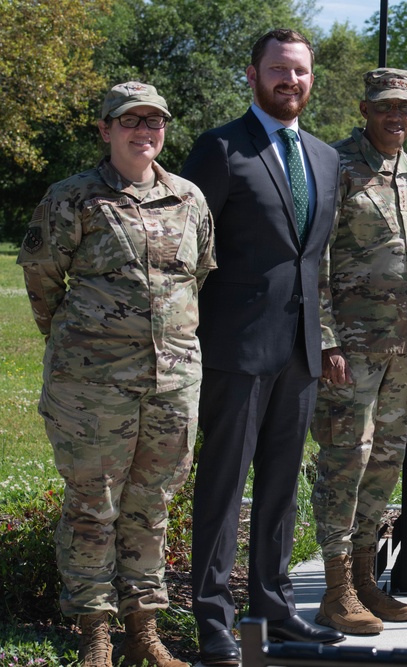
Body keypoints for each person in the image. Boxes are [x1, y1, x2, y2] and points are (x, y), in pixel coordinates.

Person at [16, 81, 216, 667]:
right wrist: (88, 346)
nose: (144, 132)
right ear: (106, 130)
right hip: (91, 386)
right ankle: (94, 630)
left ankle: (143, 628)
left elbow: (196, 275)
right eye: (131, 122)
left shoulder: (189, 199)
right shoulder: (72, 198)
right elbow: (43, 282)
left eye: (154, 122)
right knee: (92, 503)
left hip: (173, 380)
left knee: (151, 504)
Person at [180, 29, 345, 665]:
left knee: (280, 489)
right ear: (252, 75)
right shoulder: (220, 149)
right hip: (235, 349)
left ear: (311, 78)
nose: (290, 81)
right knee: (223, 491)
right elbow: (189, 252)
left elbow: (315, 260)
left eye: (300, 71)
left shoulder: (326, 160)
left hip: (299, 352)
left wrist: (323, 340)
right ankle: (214, 620)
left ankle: (274, 607)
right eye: (278, 70)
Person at [309, 67, 407, 636]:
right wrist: (327, 339)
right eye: (385, 107)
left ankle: (363, 578)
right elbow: (317, 259)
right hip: (349, 352)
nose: (396, 117)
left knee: (383, 465)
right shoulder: (336, 167)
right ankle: (335, 589)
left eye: (404, 108)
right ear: (365, 109)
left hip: (404, 352)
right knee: (343, 461)